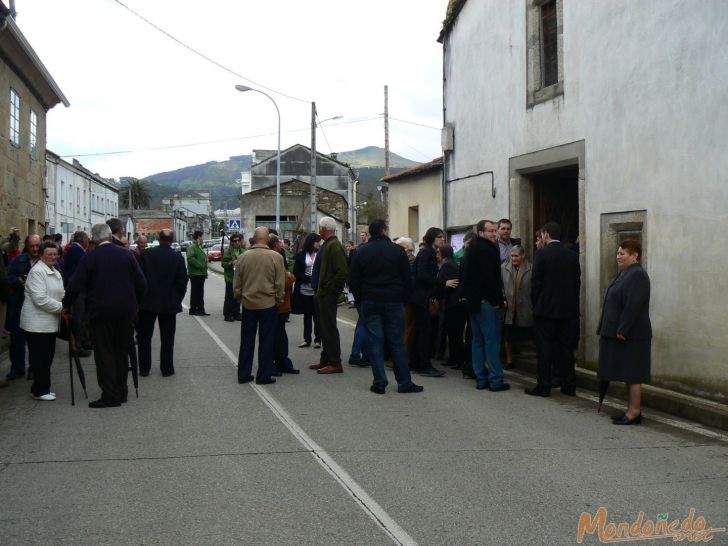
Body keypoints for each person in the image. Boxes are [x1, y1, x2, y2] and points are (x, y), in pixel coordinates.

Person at [63, 223, 147, 408]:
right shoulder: (127, 254)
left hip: (101, 311)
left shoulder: (90, 257)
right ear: (110, 237)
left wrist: (66, 305)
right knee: (121, 351)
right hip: (126, 312)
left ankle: (110, 394)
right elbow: (141, 283)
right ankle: (121, 390)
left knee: (104, 353)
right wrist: (135, 305)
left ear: (94, 239)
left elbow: (75, 285)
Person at [349, 219, 423, 395]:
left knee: (375, 342)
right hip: (393, 301)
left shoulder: (361, 252)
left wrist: (360, 300)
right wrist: (403, 300)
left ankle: (379, 382)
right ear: (384, 231)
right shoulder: (398, 251)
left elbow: (353, 281)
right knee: (397, 342)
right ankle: (404, 382)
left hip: (370, 300)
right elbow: (407, 279)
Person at [597, 239, 651, 425]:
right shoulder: (626, 273)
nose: (618, 256)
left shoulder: (637, 275)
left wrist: (623, 328)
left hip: (633, 334)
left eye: (623, 253)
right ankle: (631, 410)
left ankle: (634, 412)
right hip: (626, 332)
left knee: (634, 374)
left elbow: (634, 304)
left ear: (635, 255)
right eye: (618, 253)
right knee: (628, 372)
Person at [526, 221, 581, 398]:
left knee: (545, 349)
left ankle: (544, 386)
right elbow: (576, 283)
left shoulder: (542, 254)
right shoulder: (572, 255)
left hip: (545, 310)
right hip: (567, 310)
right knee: (566, 348)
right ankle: (569, 385)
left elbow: (536, 284)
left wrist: (536, 304)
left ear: (546, 235)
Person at [233, 227, 285, 385]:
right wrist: (278, 299)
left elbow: (237, 283)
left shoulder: (243, 257)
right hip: (268, 304)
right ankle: (263, 376)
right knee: (266, 341)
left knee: (247, 341)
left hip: (248, 304)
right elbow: (280, 283)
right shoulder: (276, 257)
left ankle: (243, 374)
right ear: (268, 239)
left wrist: (239, 297)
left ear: (254, 238)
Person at [462, 220, 510, 391]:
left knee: (477, 341)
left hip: (473, 302)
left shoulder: (471, 249)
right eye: (490, 231)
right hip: (486, 302)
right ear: (481, 232)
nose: (494, 233)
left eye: (494, 230)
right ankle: (496, 380)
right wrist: (497, 299)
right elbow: (491, 278)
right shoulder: (487, 249)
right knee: (491, 341)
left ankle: (481, 379)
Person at [137, 229, 188, 378]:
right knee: (167, 337)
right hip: (169, 302)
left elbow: (139, 279)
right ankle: (167, 368)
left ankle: (144, 368)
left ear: (158, 238)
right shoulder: (177, 257)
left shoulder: (146, 254)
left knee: (144, 336)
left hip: (147, 301)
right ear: (172, 240)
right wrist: (177, 298)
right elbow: (182, 281)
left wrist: (140, 298)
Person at [20, 242, 64, 401]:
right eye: (49, 254)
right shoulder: (37, 271)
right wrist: (62, 308)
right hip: (37, 324)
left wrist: (66, 302)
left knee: (47, 356)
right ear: (42, 255)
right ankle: (40, 390)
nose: (53, 257)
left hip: (49, 322)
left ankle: (41, 387)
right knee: (40, 358)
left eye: (55, 254)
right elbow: (40, 299)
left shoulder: (54, 270)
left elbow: (60, 292)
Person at [408, 227, 454, 377]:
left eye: (443, 237)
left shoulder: (429, 252)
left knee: (421, 331)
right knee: (423, 332)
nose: (442, 239)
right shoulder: (427, 252)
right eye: (440, 237)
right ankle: (422, 364)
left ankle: (417, 362)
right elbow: (422, 275)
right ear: (432, 238)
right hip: (420, 297)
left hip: (420, 296)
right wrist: (442, 283)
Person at [309, 217, 348, 375]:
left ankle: (335, 362)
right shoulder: (328, 245)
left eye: (320, 228)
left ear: (324, 228)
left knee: (329, 328)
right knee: (324, 328)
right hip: (322, 294)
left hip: (327, 295)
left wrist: (329, 291)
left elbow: (342, 272)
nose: (319, 230)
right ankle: (326, 359)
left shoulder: (335, 246)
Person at [5, 234, 42, 380]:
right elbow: (8, 276)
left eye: (37, 246)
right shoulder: (18, 260)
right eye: (32, 246)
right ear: (27, 246)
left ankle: (34, 368)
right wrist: (17, 280)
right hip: (20, 303)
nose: (34, 249)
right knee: (17, 339)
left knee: (36, 340)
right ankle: (17, 368)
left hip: (38, 306)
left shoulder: (45, 260)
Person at [268, 234, 299, 375]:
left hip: (280, 304)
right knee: (276, 334)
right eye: (279, 241)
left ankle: (282, 362)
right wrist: (291, 277)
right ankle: (277, 363)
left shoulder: (280, 255)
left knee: (279, 334)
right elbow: (283, 281)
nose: (281, 243)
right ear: (274, 244)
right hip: (277, 302)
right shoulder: (274, 257)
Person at [501, 245, 533, 368]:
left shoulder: (531, 269)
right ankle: (509, 360)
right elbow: (501, 286)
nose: (513, 258)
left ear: (523, 256)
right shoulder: (503, 268)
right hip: (510, 308)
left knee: (530, 334)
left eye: (516, 256)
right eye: (512, 256)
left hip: (526, 307)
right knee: (508, 336)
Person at [62, 231, 92, 358]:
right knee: (77, 318)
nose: (88, 241)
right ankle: (77, 346)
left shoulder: (76, 249)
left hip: (79, 289)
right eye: (87, 239)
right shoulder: (77, 250)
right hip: (76, 290)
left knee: (82, 317)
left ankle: (83, 342)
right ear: (82, 240)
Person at [438, 244, 466, 369]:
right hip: (454, 303)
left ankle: (457, 360)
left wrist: (440, 287)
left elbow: (451, 284)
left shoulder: (447, 265)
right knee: (453, 332)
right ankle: (454, 358)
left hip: (454, 304)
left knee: (455, 333)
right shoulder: (452, 263)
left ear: (441, 254)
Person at [292, 232, 321, 348]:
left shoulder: (320, 254)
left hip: (317, 290)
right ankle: (307, 339)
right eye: (318, 241)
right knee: (307, 315)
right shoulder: (301, 255)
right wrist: (307, 279)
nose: (319, 243)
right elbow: (296, 272)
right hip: (305, 289)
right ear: (312, 243)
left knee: (317, 316)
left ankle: (318, 340)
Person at [186, 230, 209, 316]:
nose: (203, 238)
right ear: (199, 237)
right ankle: (193, 309)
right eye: (202, 236)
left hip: (201, 273)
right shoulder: (192, 246)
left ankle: (200, 309)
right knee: (195, 292)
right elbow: (190, 258)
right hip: (195, 273)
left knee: (200, 292)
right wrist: (200, 265)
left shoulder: (200, 246)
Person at [222, 234, 244, 322]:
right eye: (235, 241)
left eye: (238, 240)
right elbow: (223, 264)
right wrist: (232, 263)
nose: (237, 242)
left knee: (238, 296)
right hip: (230, 278)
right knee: (229, 297)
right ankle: (228, 314)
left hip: (240, 278)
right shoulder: (227, 252)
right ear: (232, 242)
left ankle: (236, 313)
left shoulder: (243, 251)